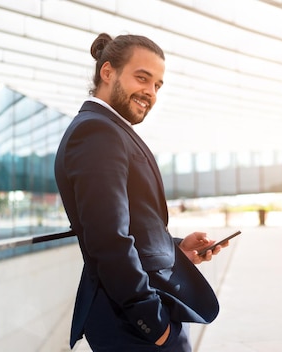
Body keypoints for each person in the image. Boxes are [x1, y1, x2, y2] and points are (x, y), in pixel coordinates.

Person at [54, 33, 227, 351]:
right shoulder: (97, 132)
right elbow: (109, 240)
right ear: (108, 72)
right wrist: (152, 320)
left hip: (137, 313)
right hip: (132, 322)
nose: (150, 92)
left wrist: (176, 249)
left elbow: (127, 224)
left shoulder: (109, 130)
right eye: (142, 78)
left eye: (158, 85)